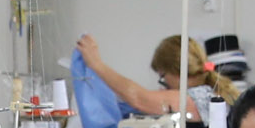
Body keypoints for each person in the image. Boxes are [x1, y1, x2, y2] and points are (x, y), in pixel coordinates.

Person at [74, 32, 223, 117]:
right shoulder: (208, 94)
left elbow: (139, 98)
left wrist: (96, 64)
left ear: (176, 71)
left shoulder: (204, 98)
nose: (164, 84)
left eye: (163, 77)